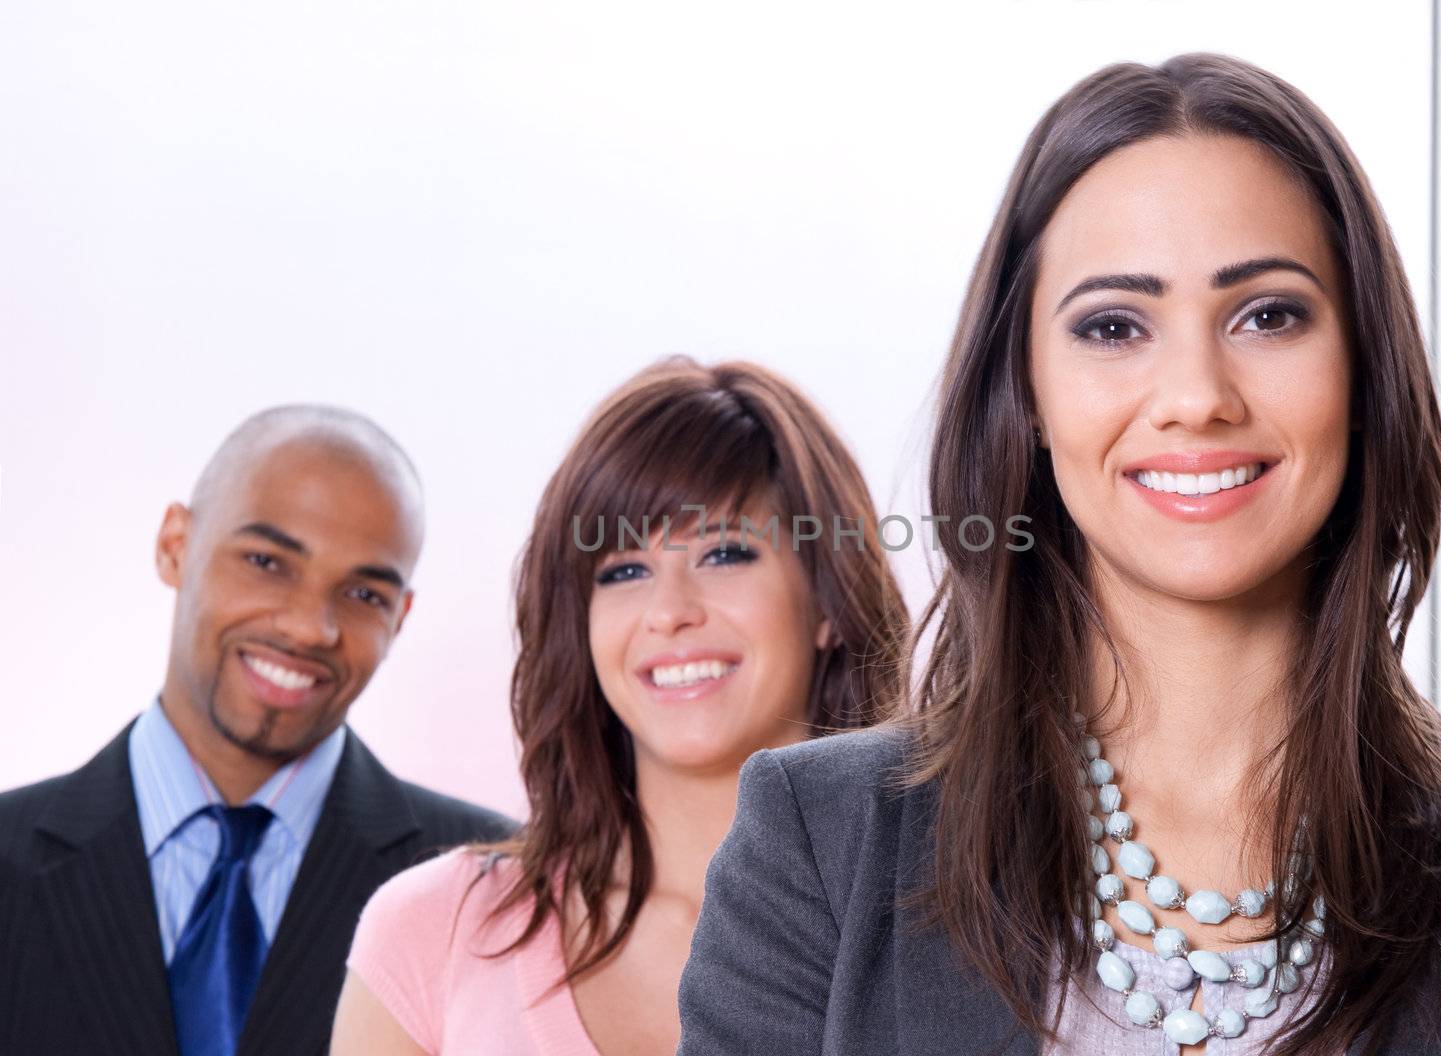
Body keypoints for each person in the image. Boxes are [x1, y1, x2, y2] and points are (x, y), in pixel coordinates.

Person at [676, 53, 1441, 1055]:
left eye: (1267, 315)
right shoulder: (819, 845)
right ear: (1024, 393)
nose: (1196, 394)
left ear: (1364, 365)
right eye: (1114, 327)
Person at [329, 357, 910, 1055]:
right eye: (624, 571)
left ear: (826, 599)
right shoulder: (434, 929)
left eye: (725, 554)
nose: (668, 613)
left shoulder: (963, 931)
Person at [0, 405, 514, 1056]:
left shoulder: (497, 887)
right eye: (267, 562)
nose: (308, 627)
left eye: (364, 595)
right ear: (175, 547)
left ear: (401, 616)